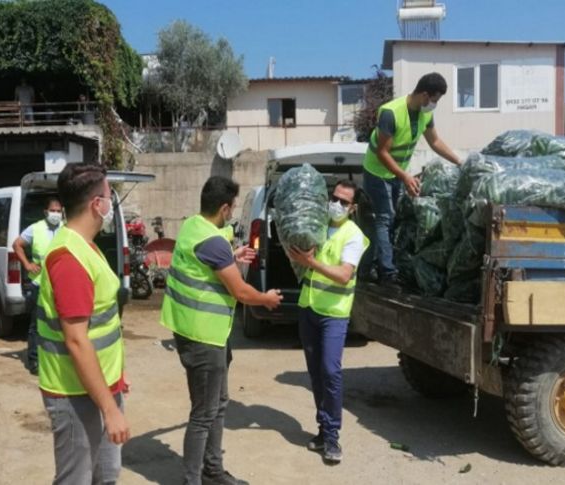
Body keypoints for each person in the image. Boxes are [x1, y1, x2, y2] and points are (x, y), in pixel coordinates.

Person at [160, 176, 283, 485]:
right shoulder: (213, 241)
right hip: (203, 337)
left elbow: (211, 261)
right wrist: (266, 299)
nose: (233, 213)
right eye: (233, 208)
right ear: (225, 208)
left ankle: (212, 470)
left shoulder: (193, 226)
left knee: (219, 404)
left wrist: (232, 256)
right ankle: (194, 480)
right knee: (203, 413)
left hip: (202, 333)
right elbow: (241, 291)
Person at [36, 163, 130, 484]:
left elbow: (101, 327)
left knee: (106, 475)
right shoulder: (69, 259)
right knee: (76, 479)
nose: (110, 203)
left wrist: (114, 384)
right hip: (75, 394)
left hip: (99, 388)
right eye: (108, 196)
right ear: (96, 205)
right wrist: (110, 408)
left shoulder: (86, 247)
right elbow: (76, 340)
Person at [287, 180, 369, 464]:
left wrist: (312, 264)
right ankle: (323, 430)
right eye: (334, 198)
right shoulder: (317, 225)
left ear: (353, 208)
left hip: (334, 314)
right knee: (316, 375)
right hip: (308, 308)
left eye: (344, 202)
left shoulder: (353, 235)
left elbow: (345, 275)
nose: (337, 204)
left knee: (330, 372)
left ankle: (333, 437)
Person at [363, 72, 461, 285]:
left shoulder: (425, 114)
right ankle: (386, 272)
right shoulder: (391, 112)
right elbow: (382, 152)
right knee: (385, 218)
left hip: (397, 172)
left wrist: (460, 162)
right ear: (425, 95)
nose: (435, 104)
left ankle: (385, 263)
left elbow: (435, 142)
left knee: (393, 217)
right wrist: (405, 176)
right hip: (377, 171)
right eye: (435, 99)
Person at [12, 197, 63, 375]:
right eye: (53, 210)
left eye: (58, 210)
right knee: (36, 324)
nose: (55, 214)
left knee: (60, 324)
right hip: (39, 284)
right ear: (45, 212)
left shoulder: (67, 229)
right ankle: (34, 360)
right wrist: (27, 265)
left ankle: (57, 358)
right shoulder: (36, 228)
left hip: (60, 285)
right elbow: (17, 244)